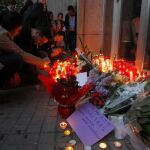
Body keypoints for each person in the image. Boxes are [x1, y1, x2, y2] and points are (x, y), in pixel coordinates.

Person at [0, 12, 50, 88]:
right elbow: (21, 54)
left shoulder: (5, 33)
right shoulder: (3, 36)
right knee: (17, 59)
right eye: (18, 30)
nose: (17, 33)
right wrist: (42, 62)